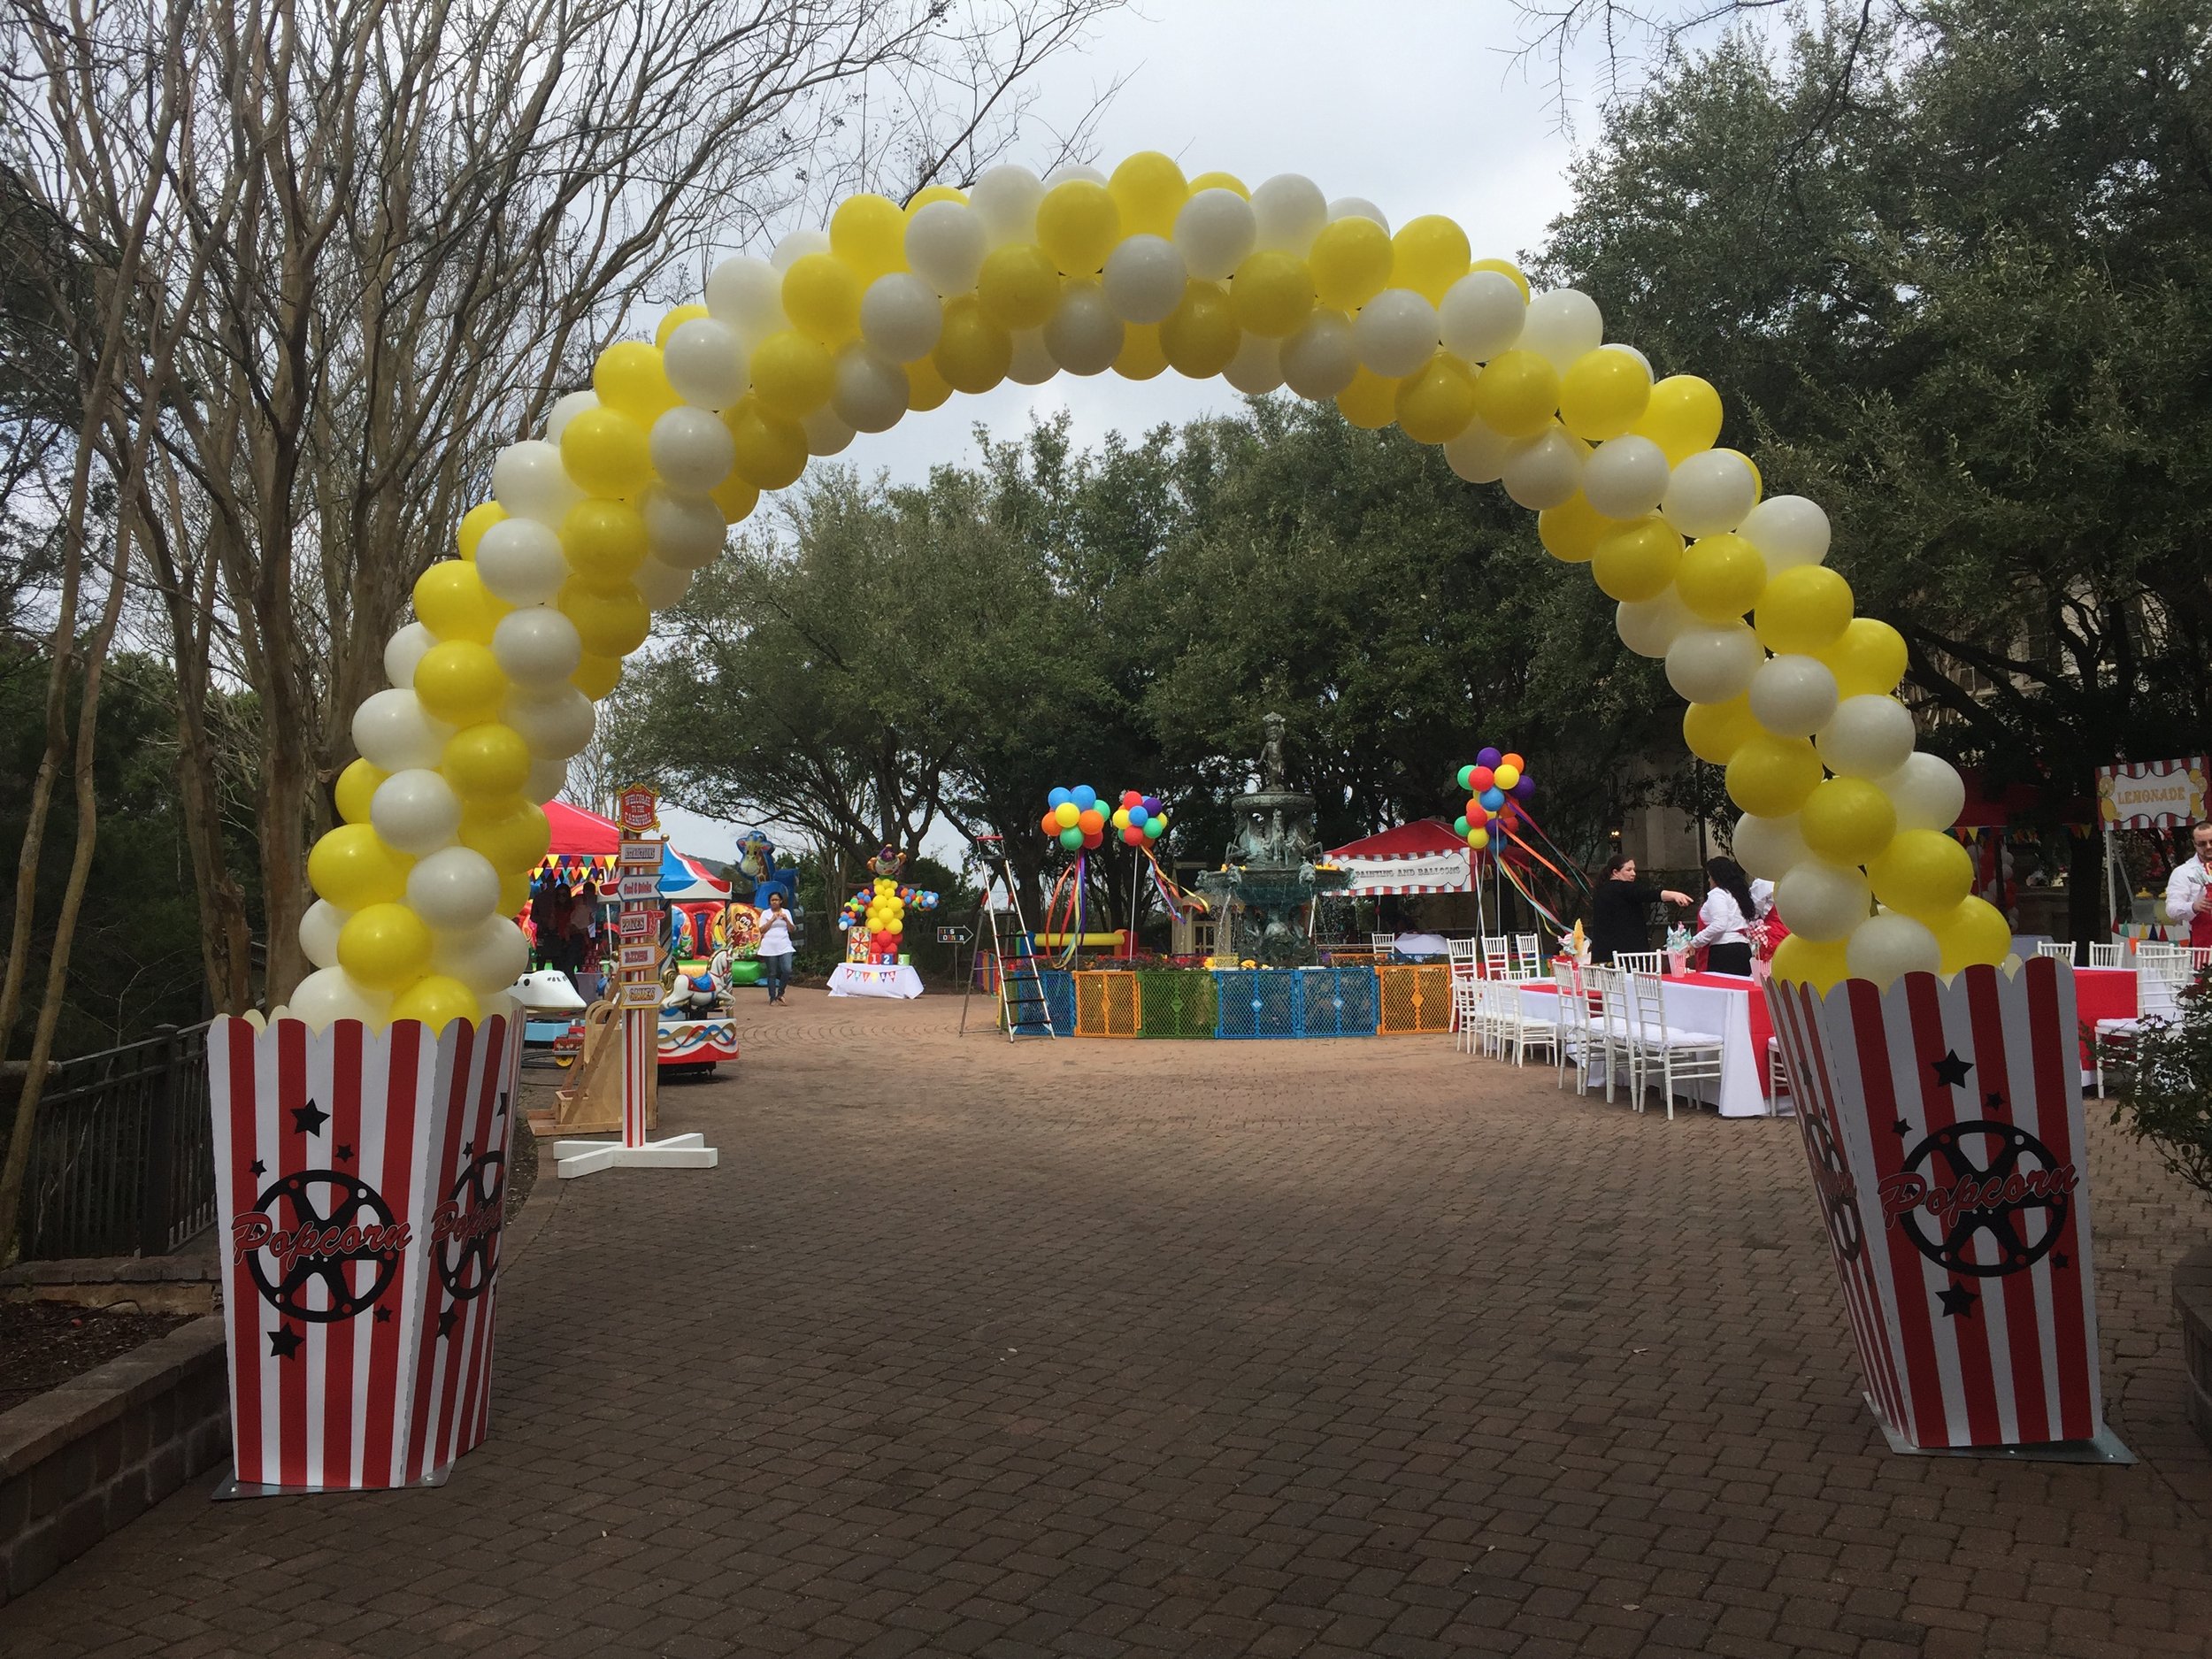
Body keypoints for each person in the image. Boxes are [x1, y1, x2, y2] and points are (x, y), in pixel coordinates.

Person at [1589, 855, 1694, 964]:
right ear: (1615, 872)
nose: (1633, 873)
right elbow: (1648, 894)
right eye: (1628, 870)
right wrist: (1673, 895)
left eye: (1634, 870)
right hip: (1627, 956)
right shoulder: (1624, 888)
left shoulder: (1600, 891)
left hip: (1602, 954)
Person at [1693, 856, 1759, 977]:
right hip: (1743, 948)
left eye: (1710, 876)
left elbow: (1719, 925)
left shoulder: (1718, 894)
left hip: (1723, 951)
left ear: (1716, 877)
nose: (1709, 880)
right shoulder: (1739, 895)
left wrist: (1694, 942)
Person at [2163, 820, 2212, 948]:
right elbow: (2171, 909)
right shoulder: (2183, 872)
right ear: (2194, 844)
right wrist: (2194, 906)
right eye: (2202, 844)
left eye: (2211, 842)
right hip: (2204, 940)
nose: (2208, 847)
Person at [756, 890, 795, 1005]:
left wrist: (786, 919)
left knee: (787, 969)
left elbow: (792, 929)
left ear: (781, 901)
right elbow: (762, 930)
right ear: (769, 902)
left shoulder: (786, 912)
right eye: (772, 900)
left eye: (776, 900)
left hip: (784, 944)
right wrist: (772, 920)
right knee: (772, 972)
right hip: (769, 945)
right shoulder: (765, 914)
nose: (774, 902)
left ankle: (781, 993)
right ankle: (772, 997)